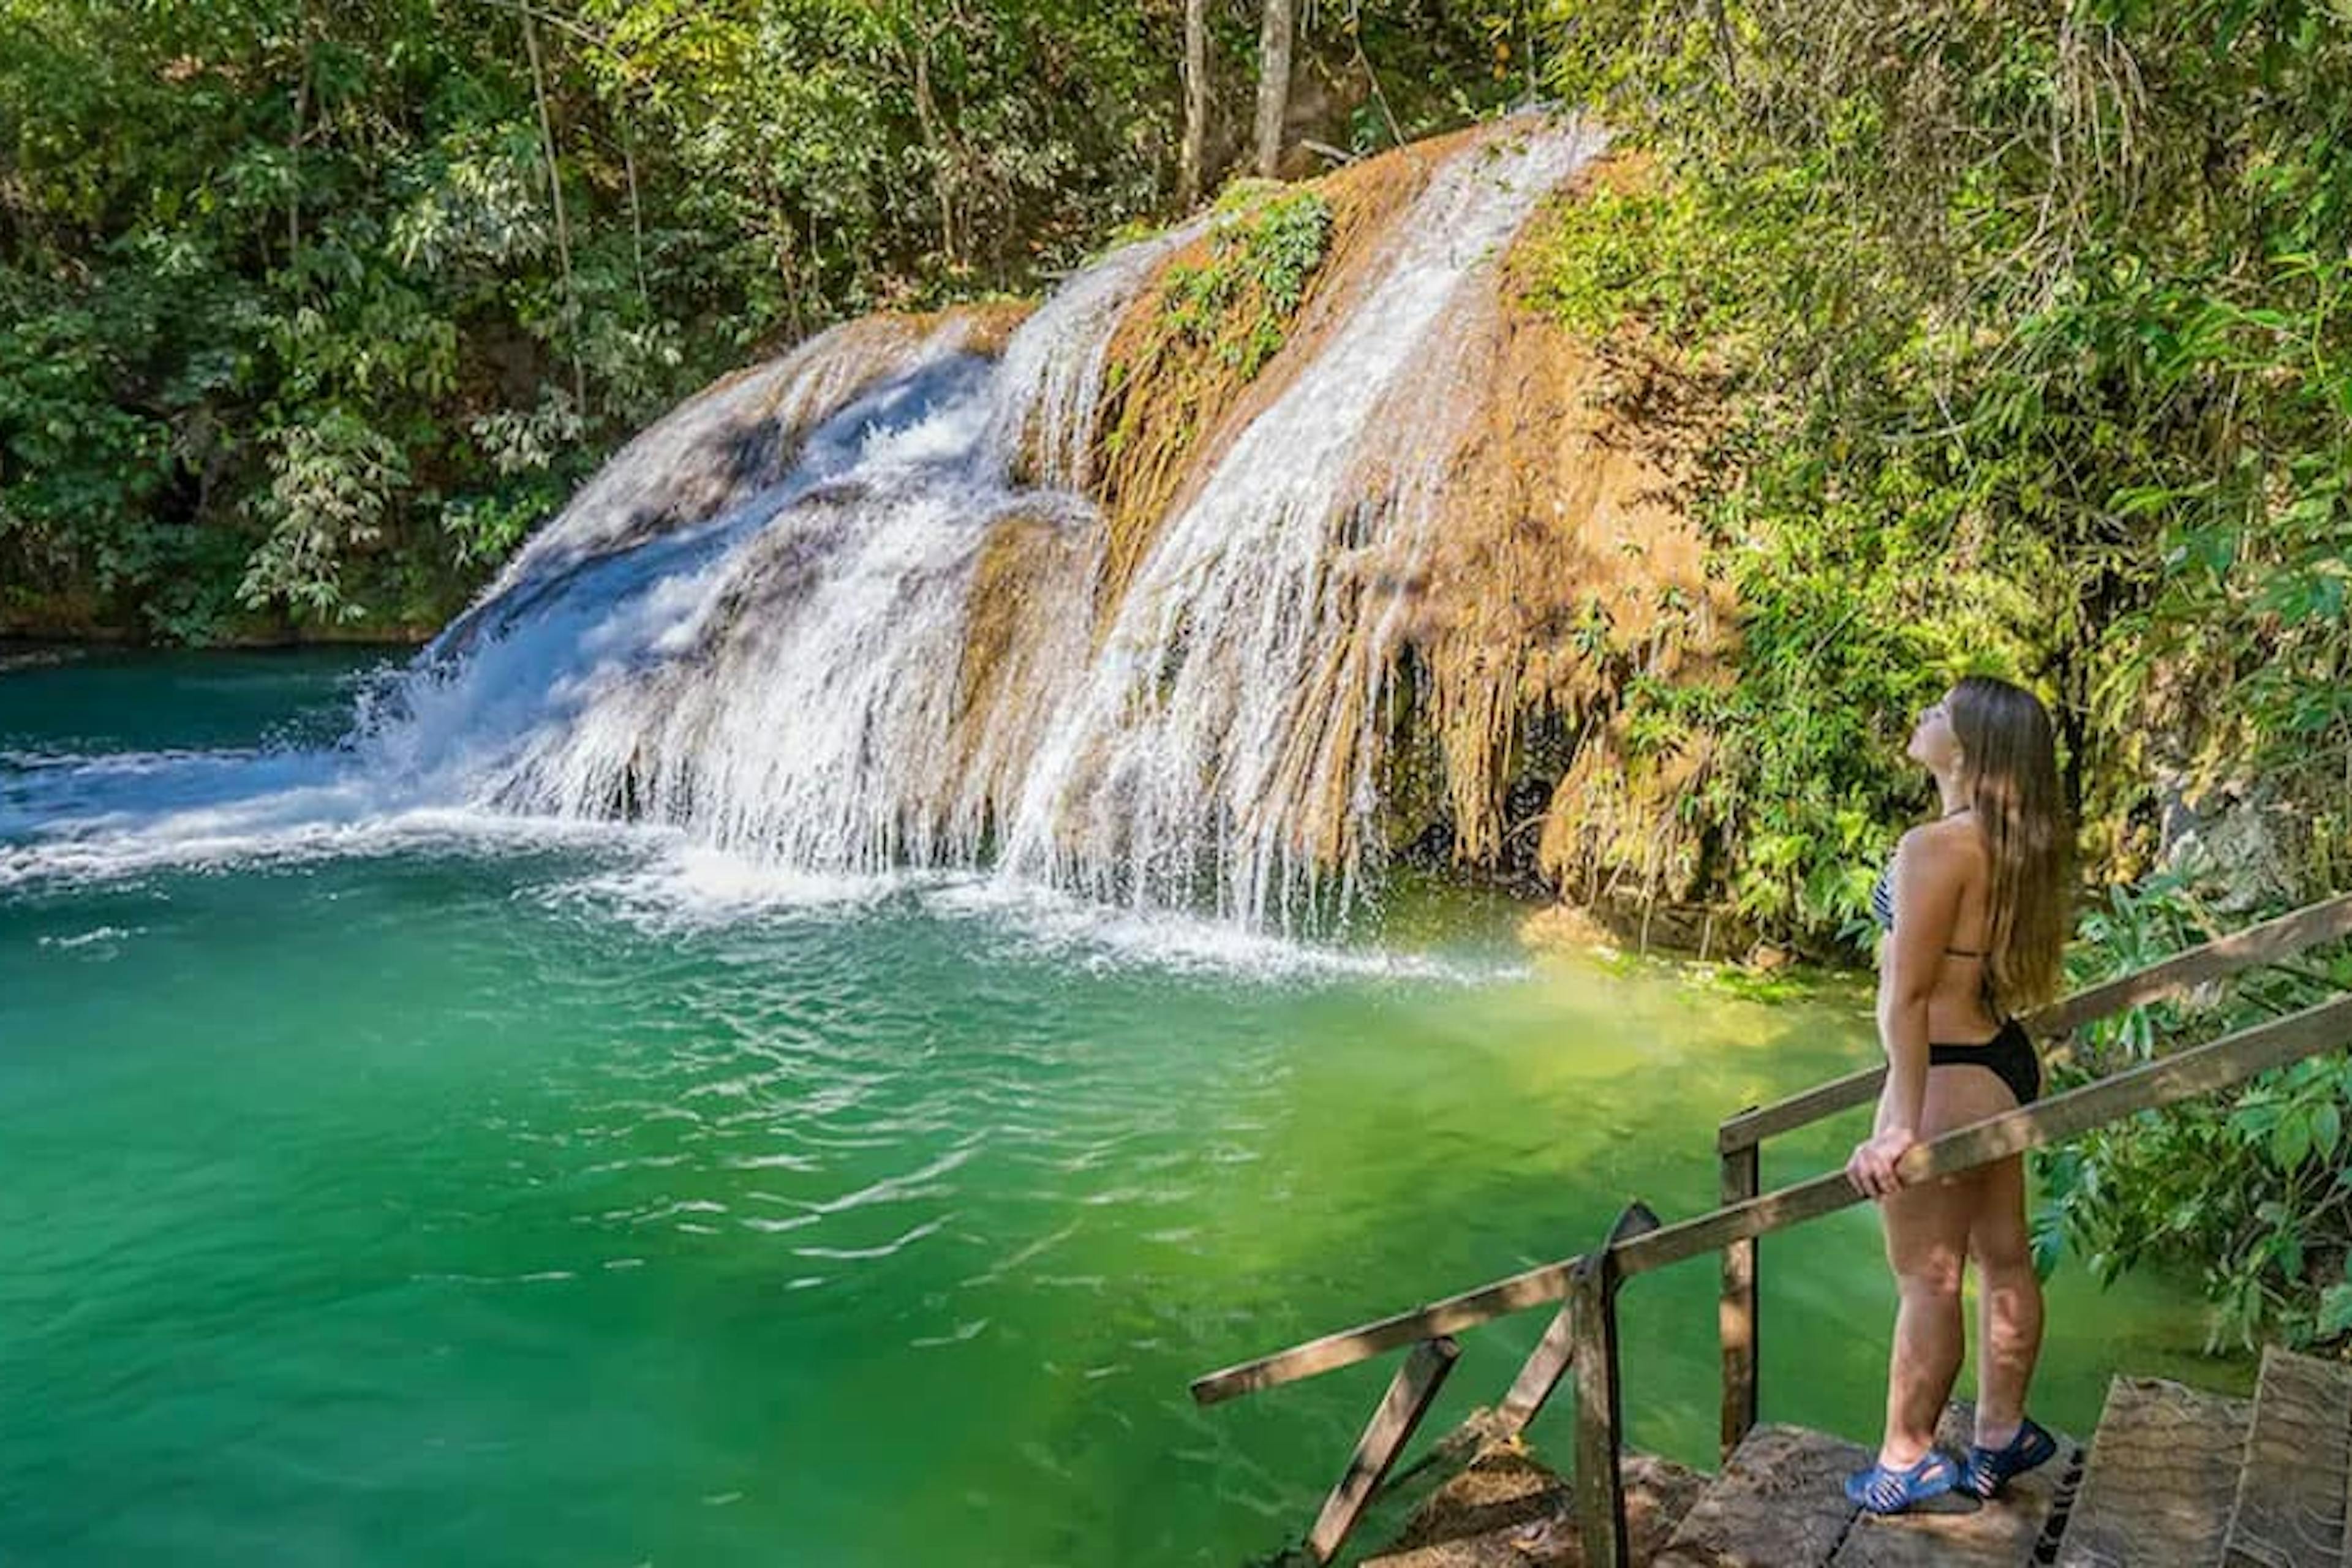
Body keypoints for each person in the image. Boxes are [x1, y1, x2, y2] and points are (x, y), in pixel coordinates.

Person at [1841, 675, 2071, 1514]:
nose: (1922, 715)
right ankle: (2001, 1435)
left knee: (1926, 1280)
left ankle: (1905, 1458)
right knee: (2002, 1257)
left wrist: (1898, 1124)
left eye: (1938, 711)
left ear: (1969, 748)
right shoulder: (2017, 841)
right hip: (1998, 1062)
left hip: (1941, 1070)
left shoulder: (1933, 848)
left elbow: (1904, 998)